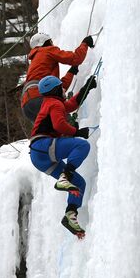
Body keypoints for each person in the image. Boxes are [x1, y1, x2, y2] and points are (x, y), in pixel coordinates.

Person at [29, 75, 97, 237]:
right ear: (55, 90)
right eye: (61, 87)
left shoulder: (51, 103)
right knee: (82, 145)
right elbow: (59, 124)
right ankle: (65, 177)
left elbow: (71, 105)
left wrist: (85, 89)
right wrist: (77, 132)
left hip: (39, 157)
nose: (64, 89)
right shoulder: (54, 103)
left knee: (78, 183)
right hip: (42, 146)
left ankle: (70, 214)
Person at [21, 32, 95, 123]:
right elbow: (76, 58)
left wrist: (71, 72)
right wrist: (85, 43)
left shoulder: (35, 62)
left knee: (49, 131)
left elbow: (57, 89)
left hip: (26, 105)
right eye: (50, 41)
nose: (52, 44)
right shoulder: (47, 50)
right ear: (44, 42)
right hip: (39, 97)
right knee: (65, 125)